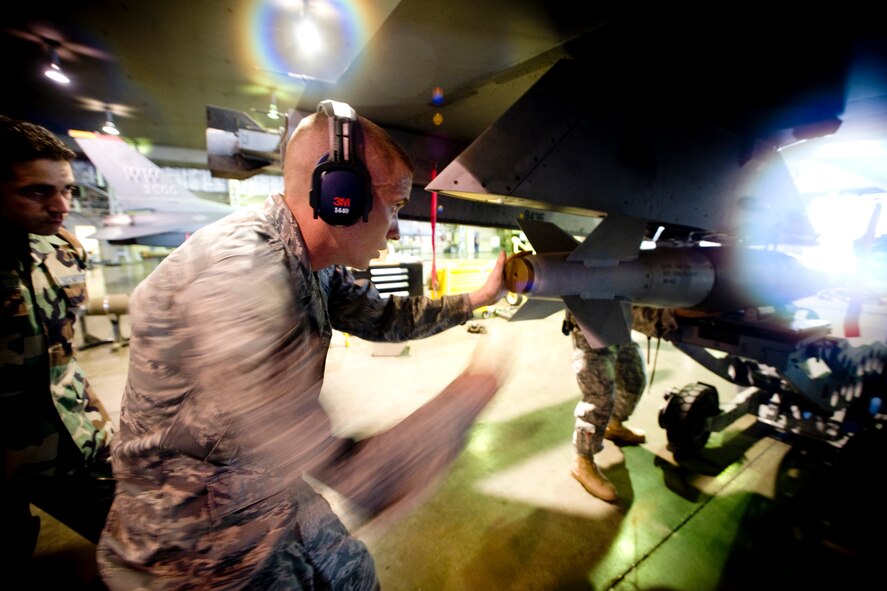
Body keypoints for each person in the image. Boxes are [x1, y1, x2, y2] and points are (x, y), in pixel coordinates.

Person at [96, 100, 511, 590]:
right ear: (342, 195)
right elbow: (353, 473)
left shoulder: (313, 260)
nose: (397, 230)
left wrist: (481, 296)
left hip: (263, 485)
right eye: (395, 205)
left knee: (355, 575)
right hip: (194, 544)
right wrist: (461, 404)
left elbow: (384, 317)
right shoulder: (239, 276)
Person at [0, 115, 116, 565]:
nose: (61, 205)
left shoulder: (65, 250)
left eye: (66, 189)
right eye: (37, 191)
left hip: (73, 445)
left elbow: (61, 357)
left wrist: (103, 427)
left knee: (140, 540)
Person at [566, 305, 677, 501]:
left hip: (618, 327)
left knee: (633, 379)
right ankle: (582, 460)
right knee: (599, 396)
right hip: (591, 327)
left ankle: (614, 425)